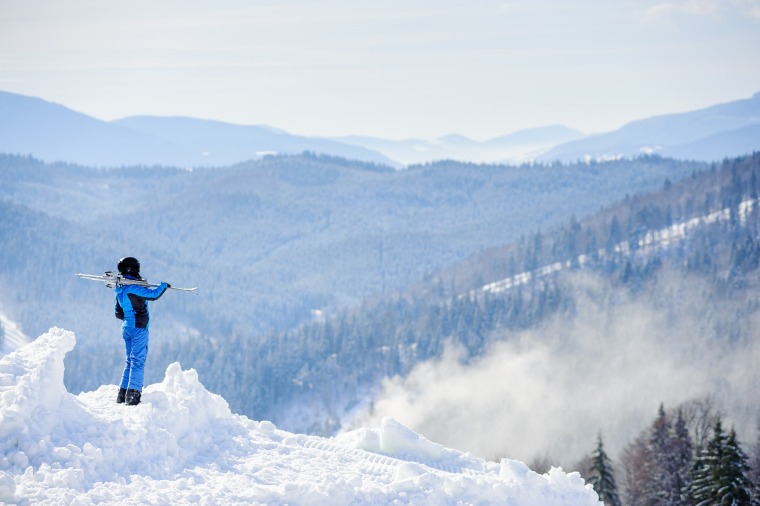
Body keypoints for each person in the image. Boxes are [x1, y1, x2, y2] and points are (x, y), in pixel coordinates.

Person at [114, 256, 170, 406]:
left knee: (129, 361)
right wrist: (163, 286)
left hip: (127, 328)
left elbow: (118, 313)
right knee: (138, 362)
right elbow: (153, 295)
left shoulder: (120, 289)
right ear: (134, 269)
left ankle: (122, 394)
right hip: (139, 329)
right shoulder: (133, 288)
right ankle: (133, 396)